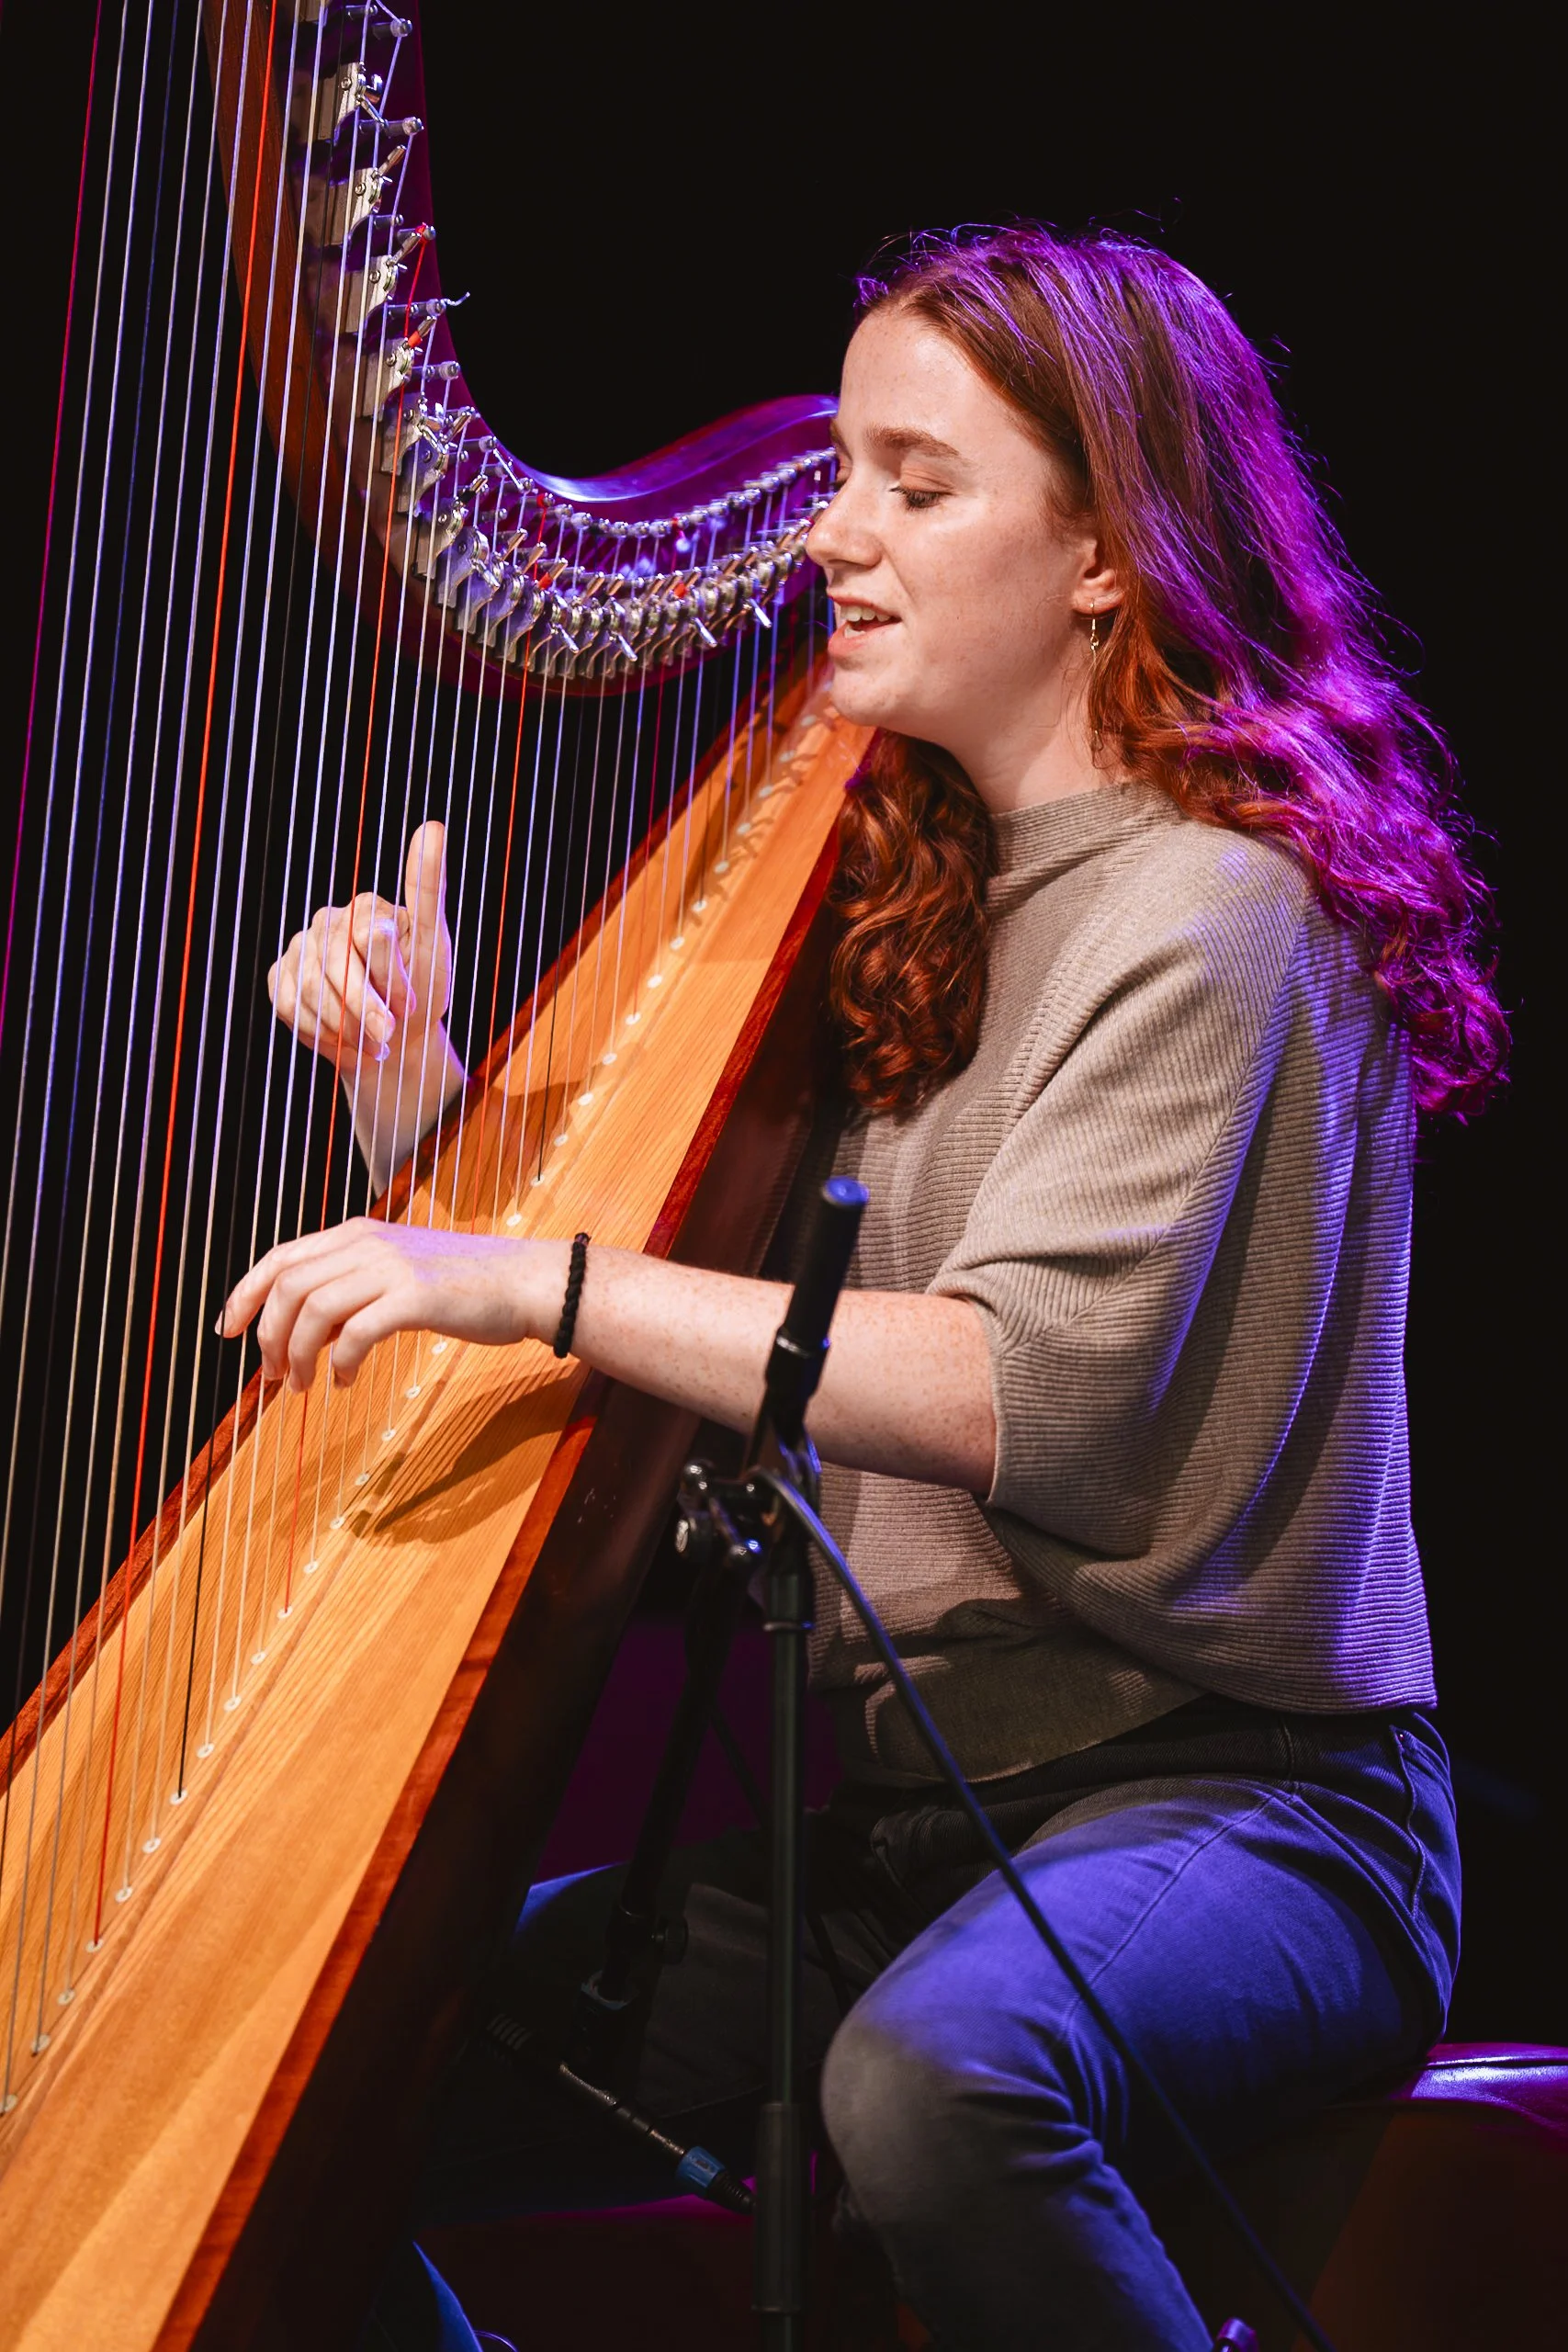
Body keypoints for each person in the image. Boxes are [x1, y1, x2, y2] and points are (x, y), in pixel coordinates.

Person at [221, 225, 1506, 2350]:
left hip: (1252, 1811)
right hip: (911, 1831)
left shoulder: (1218, 911)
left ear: (1105, 553)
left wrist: (532, 1272)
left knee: (935, 2082)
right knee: (298, 2100)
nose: (832, 532)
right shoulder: (911, 909)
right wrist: (417, 1094)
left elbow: (1016, 1390)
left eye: (915, 484)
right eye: (840, 474)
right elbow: (711, 1358)